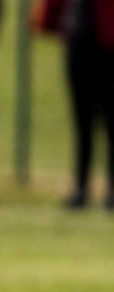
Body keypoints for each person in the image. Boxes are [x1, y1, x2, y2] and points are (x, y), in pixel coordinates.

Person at [32, 0, 114, 209]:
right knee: (82, 122)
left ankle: (109, 189)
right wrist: (47, 19)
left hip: (108, 43)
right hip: (80, 40)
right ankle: (80, 186)